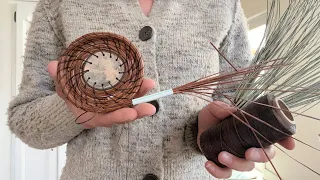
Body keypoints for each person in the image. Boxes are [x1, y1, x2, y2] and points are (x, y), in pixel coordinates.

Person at [7, 0, 294, 179]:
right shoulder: (59, 5)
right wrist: (74, 110)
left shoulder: (222, 5)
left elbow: (232, 108)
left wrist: (213, 137)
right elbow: (25, 121)